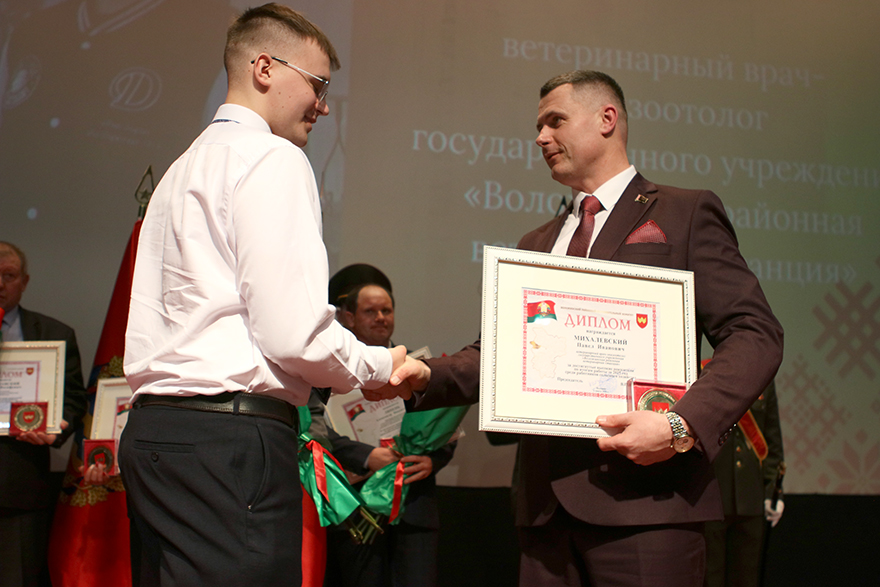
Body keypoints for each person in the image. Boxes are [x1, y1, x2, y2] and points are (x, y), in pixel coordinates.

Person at [378, 70, 784, 587]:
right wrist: (425, 375)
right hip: (545, 515)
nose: (540, 137)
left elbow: (755, 333)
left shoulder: (683, 213)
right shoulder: (535, 243)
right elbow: (501, 353)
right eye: (538, 126)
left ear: (607, 119)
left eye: (555, 121)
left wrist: (679, 425)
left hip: (649, 508)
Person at [118, 5, 405, 586]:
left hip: (152, 434)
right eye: (319, 85)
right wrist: (380, 367)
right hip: (229, 442)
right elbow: (294, 335)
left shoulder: (180, 169)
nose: (324, 105)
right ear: (265, 67)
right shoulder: (273, 157)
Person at [318, 272, 456, 587]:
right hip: (357, 506)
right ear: (349, 317)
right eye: (370, 311)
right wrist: (367, 457)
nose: (381, 317)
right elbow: (317, 432)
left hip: (415, 506)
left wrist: (433, 460)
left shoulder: (417, 366)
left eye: (386, 310)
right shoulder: (331, 373)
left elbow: (444, 426)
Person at [0, 241, 87, 587]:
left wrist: (56, 427)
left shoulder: (55, 334)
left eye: (9, 275)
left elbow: (74, 399)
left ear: (24, 281)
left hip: (20, 487)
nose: (0, 284)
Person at [704, 379, 785, 587]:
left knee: (746, 577)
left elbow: (772, 438)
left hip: (751, 496)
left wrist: (773, 490)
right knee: (711, 576)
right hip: (711, 494)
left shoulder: (764, 381)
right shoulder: (705, 374)